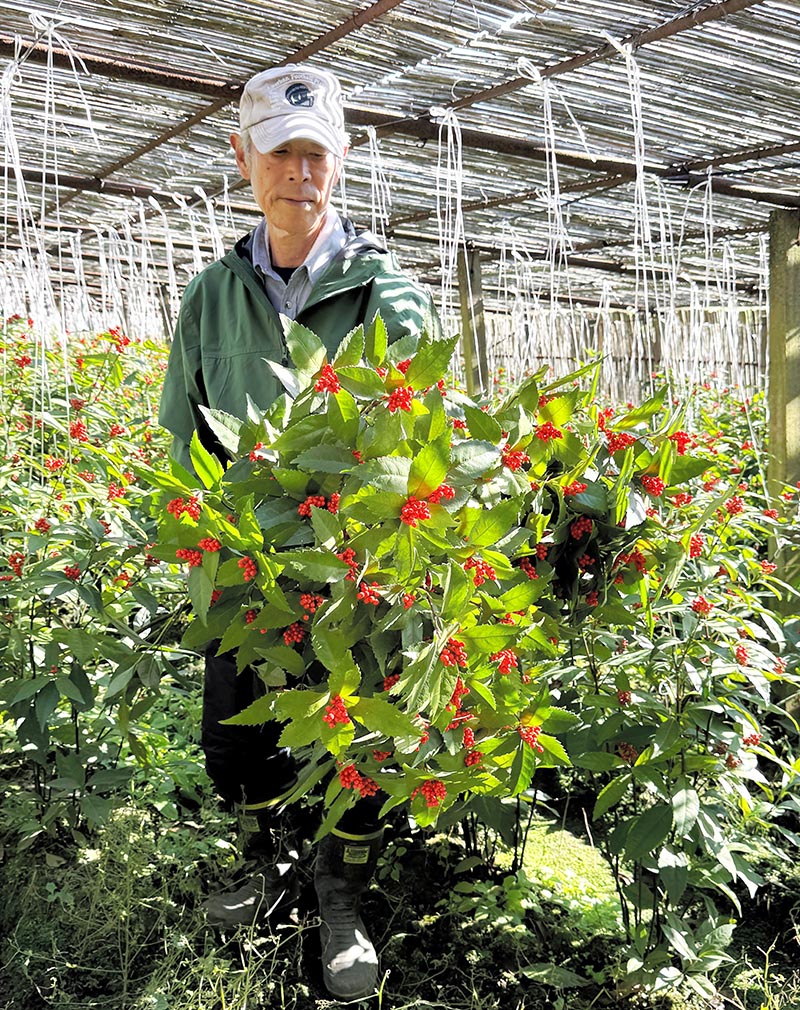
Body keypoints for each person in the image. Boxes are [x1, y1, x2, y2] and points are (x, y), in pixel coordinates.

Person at [158, 63, 439, 1000]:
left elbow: (428, 445)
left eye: (316, 153)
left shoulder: (388, 297)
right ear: (245, 160)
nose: (298, 172)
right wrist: (192, 542)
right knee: (238, 739)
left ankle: (340, 893)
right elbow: (179, 438)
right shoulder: (209, 297)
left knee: (356, 739)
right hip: (247, 572)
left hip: (354, 570)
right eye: (280, 152)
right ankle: (260, 862)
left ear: (343, 161)